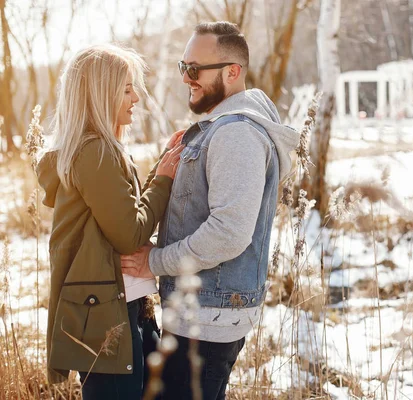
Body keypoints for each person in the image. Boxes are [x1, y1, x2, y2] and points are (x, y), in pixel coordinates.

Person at [121, 21, 300, 400]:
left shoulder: (237, 134)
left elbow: (228, 233)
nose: (186, 78)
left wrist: (153, 261)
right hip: (199, 313)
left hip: (207, 319)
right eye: (183, 67)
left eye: (195, 69)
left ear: (232, 72)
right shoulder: (218, 127)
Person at [36, 43, 184, 399]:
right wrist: (163, 179)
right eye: (127, 88)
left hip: (127, 307)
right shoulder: (95, 152)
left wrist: (161, 167)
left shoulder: (99, 150)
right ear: (101, 93)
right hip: (108, 319)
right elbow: (130, 233)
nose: (136, 97)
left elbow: (125, 213)